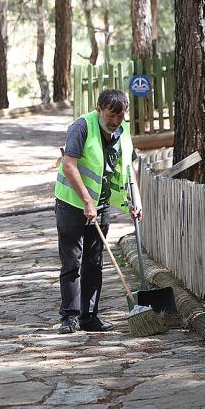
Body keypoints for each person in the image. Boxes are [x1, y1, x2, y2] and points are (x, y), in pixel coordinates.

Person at [54, 88, 142, 334]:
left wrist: (136, 199)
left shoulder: (123, 133)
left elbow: (128, 168)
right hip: (72, 203)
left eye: (120, 115)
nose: (115, 121)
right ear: (99, 109)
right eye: (111, 115)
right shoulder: (81, 127)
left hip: (101, 205)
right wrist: (85, 201)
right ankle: (69, 317)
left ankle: (89, 317)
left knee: (94, 262)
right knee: (72, 260)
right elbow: (69, 166)